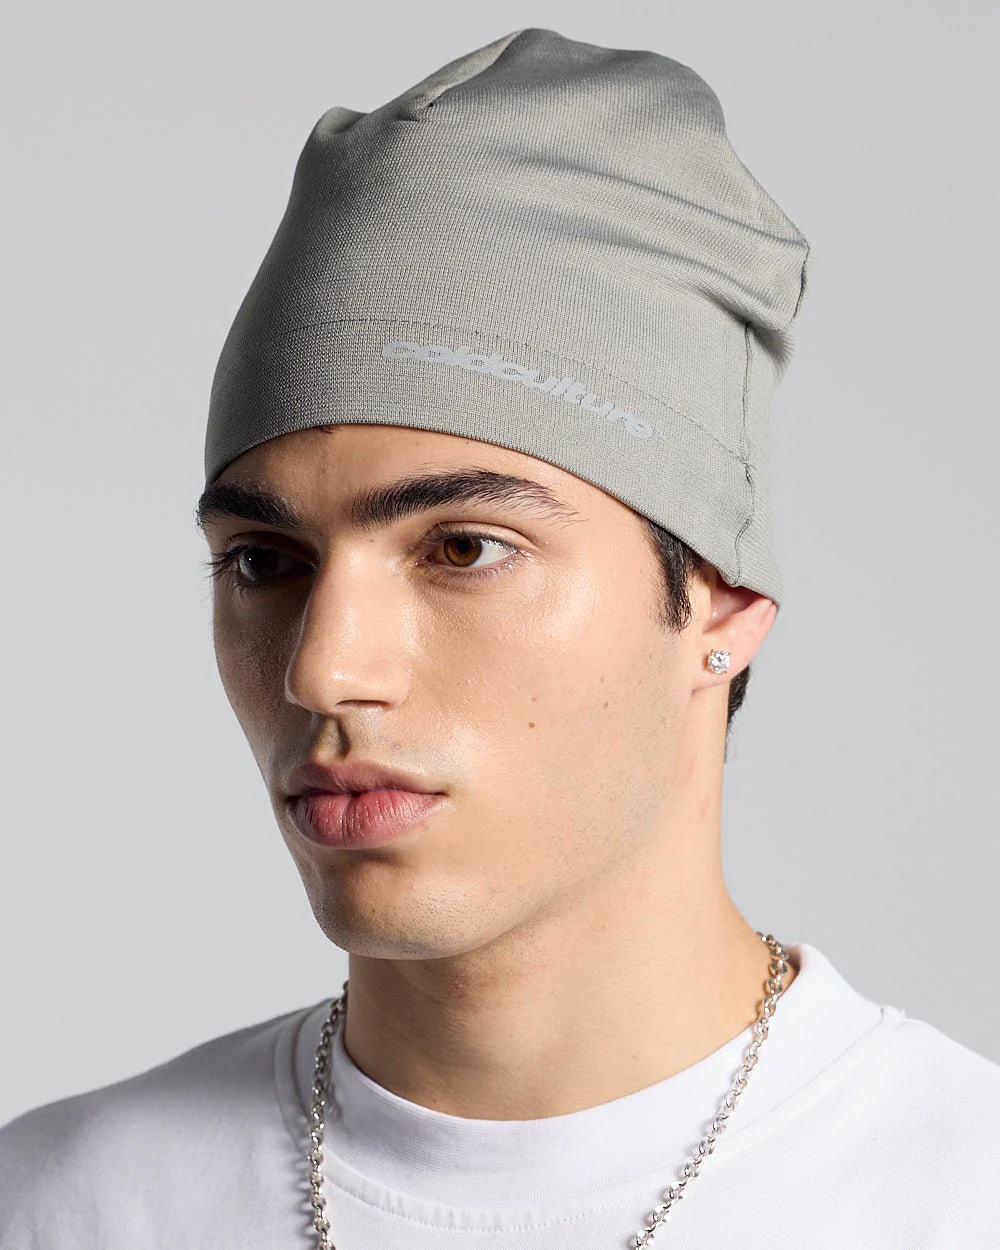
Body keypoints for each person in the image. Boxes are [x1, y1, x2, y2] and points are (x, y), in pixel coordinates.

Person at [2, 26, 998, 1250]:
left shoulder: (957, 1195)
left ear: (722, 603)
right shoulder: (62, 1204)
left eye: (464, 548)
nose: (322, 668)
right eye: (263, 561)